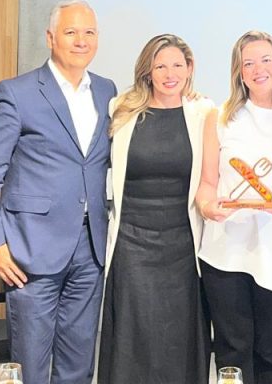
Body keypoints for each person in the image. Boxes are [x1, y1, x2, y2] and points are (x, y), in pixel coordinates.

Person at [0, 0, 117, 384]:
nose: (81, 40)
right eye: (71, 32)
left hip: (90, 249)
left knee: (78, 365)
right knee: (30, 367)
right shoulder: (16, 93)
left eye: (89, 32)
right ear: (51, 38)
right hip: (30, 251)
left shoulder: (106, 91)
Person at [197, 31, 272, 384]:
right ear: (238, 71)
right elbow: (207, 183)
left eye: (265, 60)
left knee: (269, 352)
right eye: (247, 63)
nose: (257, 69)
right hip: (225, 251)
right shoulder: (220, 117)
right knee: (232, 351)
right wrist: (207, 206)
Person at [97, 33, 214, 384]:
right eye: (160, 66)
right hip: (131, 243)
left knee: (179, 341)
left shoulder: (204, 113)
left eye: (177, 65)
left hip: (183, 245)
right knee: (133, 339)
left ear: (189, 68)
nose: (169, 74)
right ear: (147, 71)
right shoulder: (120, 109)